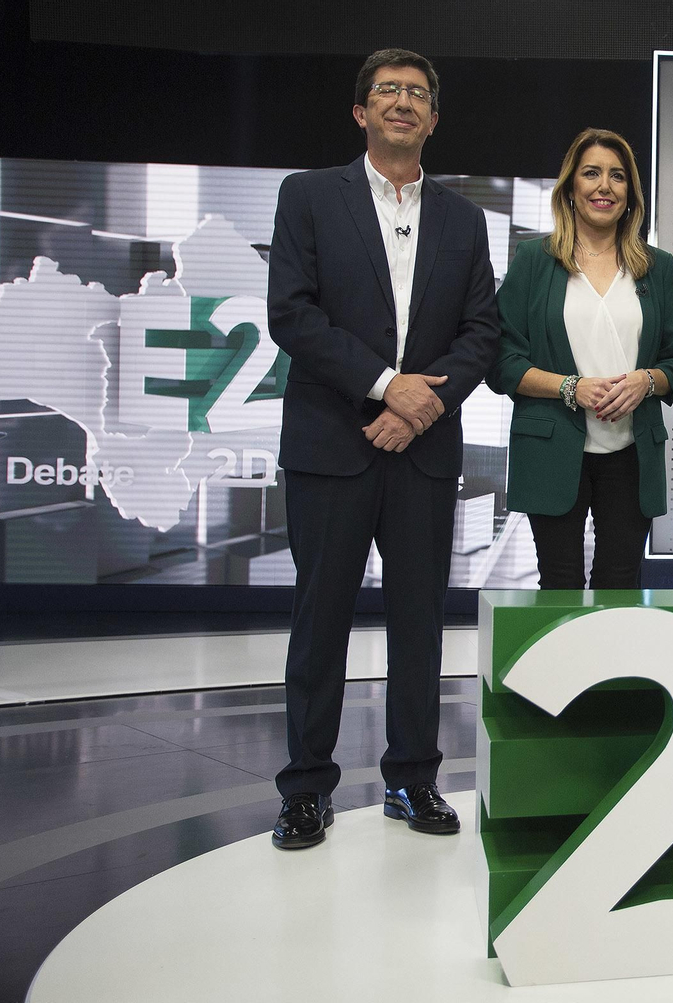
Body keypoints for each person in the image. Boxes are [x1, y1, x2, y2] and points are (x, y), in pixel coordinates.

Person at [265, 48, 500, 849]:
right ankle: (305, 789)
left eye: (418, 94)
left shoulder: (465, 220)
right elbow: (291, 315)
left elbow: (481, 335)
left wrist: (421, 403)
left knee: (419, 625)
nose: (402, 102)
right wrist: (382, 383)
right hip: (333, 443)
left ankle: (413, 779)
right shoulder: (307, 197)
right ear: (360, 112)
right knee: (319, 621)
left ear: (434, 119)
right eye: (387, 91)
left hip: (423, 449)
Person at [487, 128, 673, 588]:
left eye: (617, 176)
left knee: (619, 584)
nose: (605, 186)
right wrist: (569, 387)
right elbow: (501, 361)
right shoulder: (534, 260)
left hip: (630, 452)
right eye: (592, 173)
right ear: (571, 188)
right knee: (558, 585)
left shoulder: (656, 267)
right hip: (552, 449)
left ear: (630, 192)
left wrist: (647, 381)